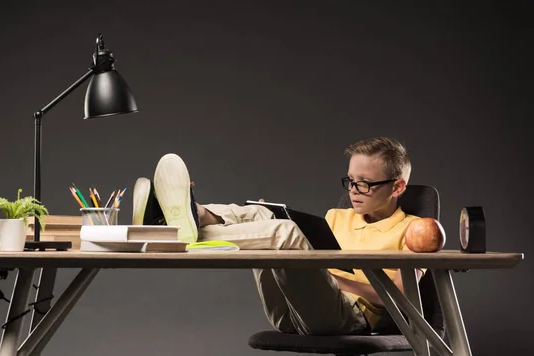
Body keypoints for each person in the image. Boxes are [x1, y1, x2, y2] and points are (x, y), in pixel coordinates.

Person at [132, 137, 424, 335]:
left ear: (397, 187)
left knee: (283, 233)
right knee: (265, 216)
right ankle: (195, 215)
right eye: (350, 181)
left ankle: (182, 233)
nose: (353, 191)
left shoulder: (416, 232)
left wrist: (333, 279)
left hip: (348, 319)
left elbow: (398, 299)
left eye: (366, 184)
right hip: (293, 309)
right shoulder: (338, 216)